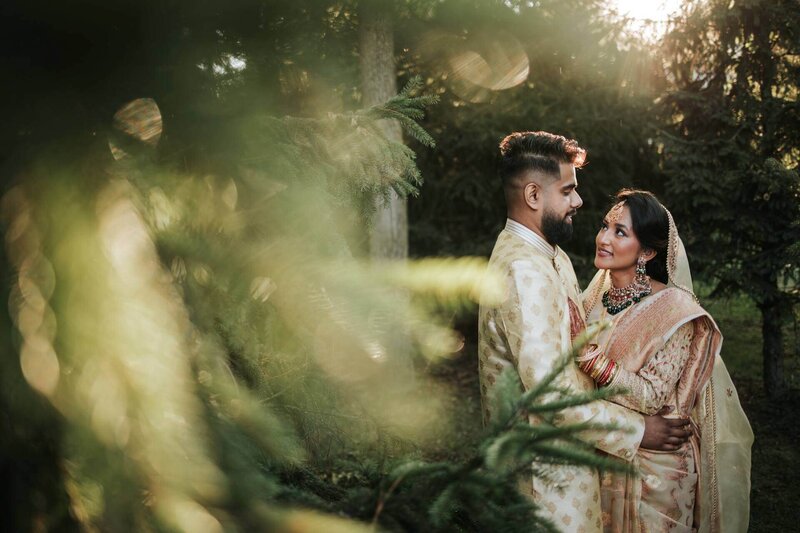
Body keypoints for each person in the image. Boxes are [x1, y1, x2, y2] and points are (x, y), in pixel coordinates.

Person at [478, 132, 692, 532]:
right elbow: (553, 398)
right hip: (544, 482)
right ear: (533, 196)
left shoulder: (548, 254)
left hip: (572, 463)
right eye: (568, 190)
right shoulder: (524, 271)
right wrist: (640, 430)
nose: (578, 201)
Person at [579, 190, 753, 533]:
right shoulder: (592, 300)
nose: (603, 238)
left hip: (656, 476)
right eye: (605, 226)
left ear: (646, 251)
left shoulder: (675, 311)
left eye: (620, 232)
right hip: (602, 450)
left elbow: (650, 395)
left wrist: (591, 361)